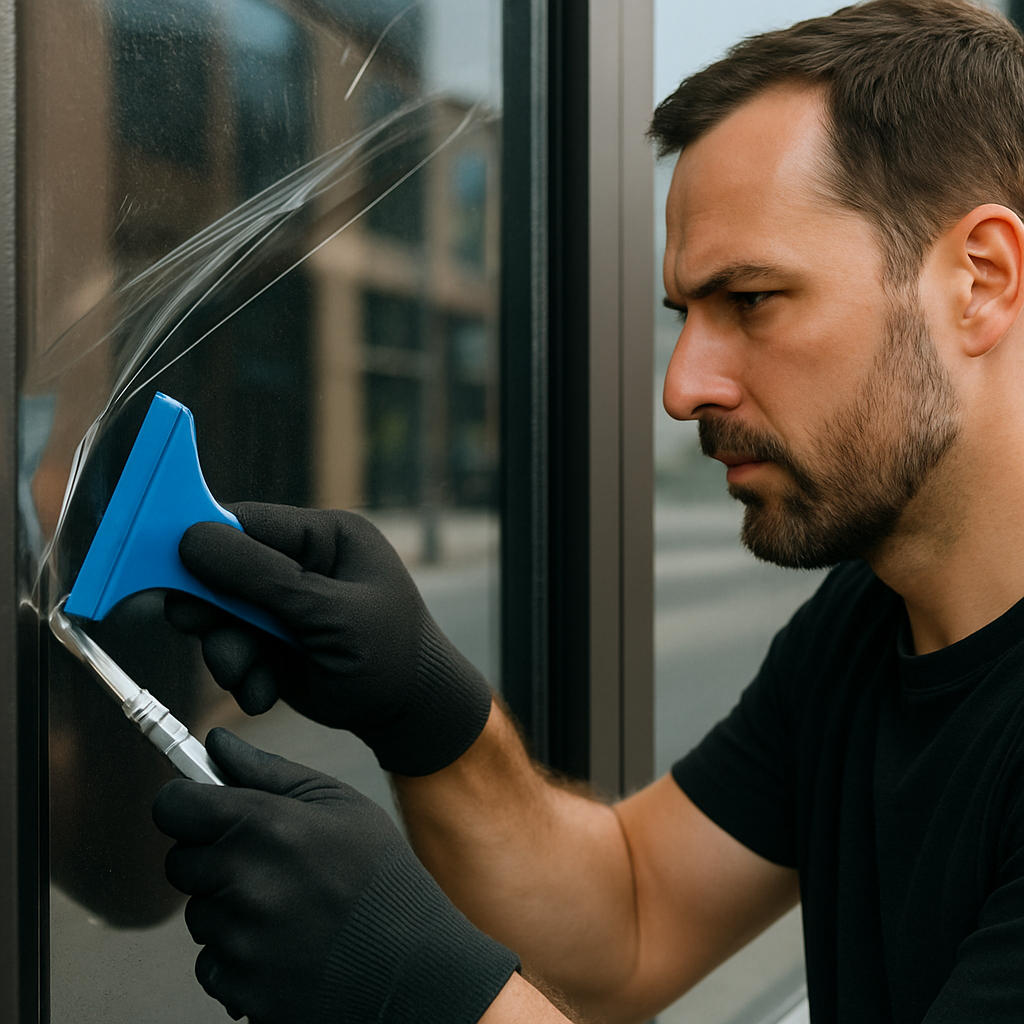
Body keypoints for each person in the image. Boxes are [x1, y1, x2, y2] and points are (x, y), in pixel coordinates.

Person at [150, 1, 1024, 1021]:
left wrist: (426, 992)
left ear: (981, 279)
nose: (683, 385)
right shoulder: (869, 623)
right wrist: (427, 709)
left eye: (750, 301)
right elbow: (631, 922)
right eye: (684, 315)